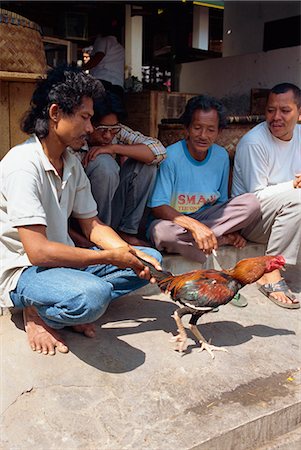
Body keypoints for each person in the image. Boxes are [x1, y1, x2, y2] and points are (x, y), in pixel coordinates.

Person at [0, 66, 162, 356]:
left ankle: (62, 304)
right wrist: (107, 257)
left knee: (149, 260)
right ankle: (36, 311)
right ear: (55, 114)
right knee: (94, 295)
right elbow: (37, 252)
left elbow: (93, 225)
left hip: (62, 263)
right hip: (25, 271)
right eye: (85, 117)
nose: (90, 128)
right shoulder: (22, 165)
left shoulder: (71, 163)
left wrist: (126, 252)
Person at [147, 94, 261, 264]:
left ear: (219, 132)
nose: (203, 135)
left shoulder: (221, 156)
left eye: (210, 129)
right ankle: (218, 240)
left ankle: (202, 241)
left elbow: (221, 203)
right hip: (175, 222)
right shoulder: (170, 156)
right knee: (161, 232)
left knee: (252, 203)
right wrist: (195, 227)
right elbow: (158, 207)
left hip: (207, 219)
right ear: (186, 128)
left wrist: (205, 226)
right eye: (197, 127)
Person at [232, 82, 301, 309]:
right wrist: (292, 185)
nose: (276, 117)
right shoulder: (255, 142)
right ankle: (270, 272)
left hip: (286, 214)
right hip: (252, 221)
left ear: (299, 114)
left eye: (285, 110)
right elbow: (255, 198)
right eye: (271, 110)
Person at [71, 92, 166, 247]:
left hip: (113, 213)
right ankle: (98, 238)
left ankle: (126, 232)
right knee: (103, 164)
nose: (108, 135)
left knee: (146, 163)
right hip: (85, 221)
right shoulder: (76, 140)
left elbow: (158, 151)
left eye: (113, 129)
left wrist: (114, 148)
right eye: (101, 129)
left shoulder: (115, 133)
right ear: (89, 124)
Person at [83, 31, 125, 101]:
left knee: (100, 110)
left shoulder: (102, 40)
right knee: (114, 110)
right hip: (118, 86)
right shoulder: (120, 48)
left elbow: (99, 56)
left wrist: (81, 68)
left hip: (103, 83)